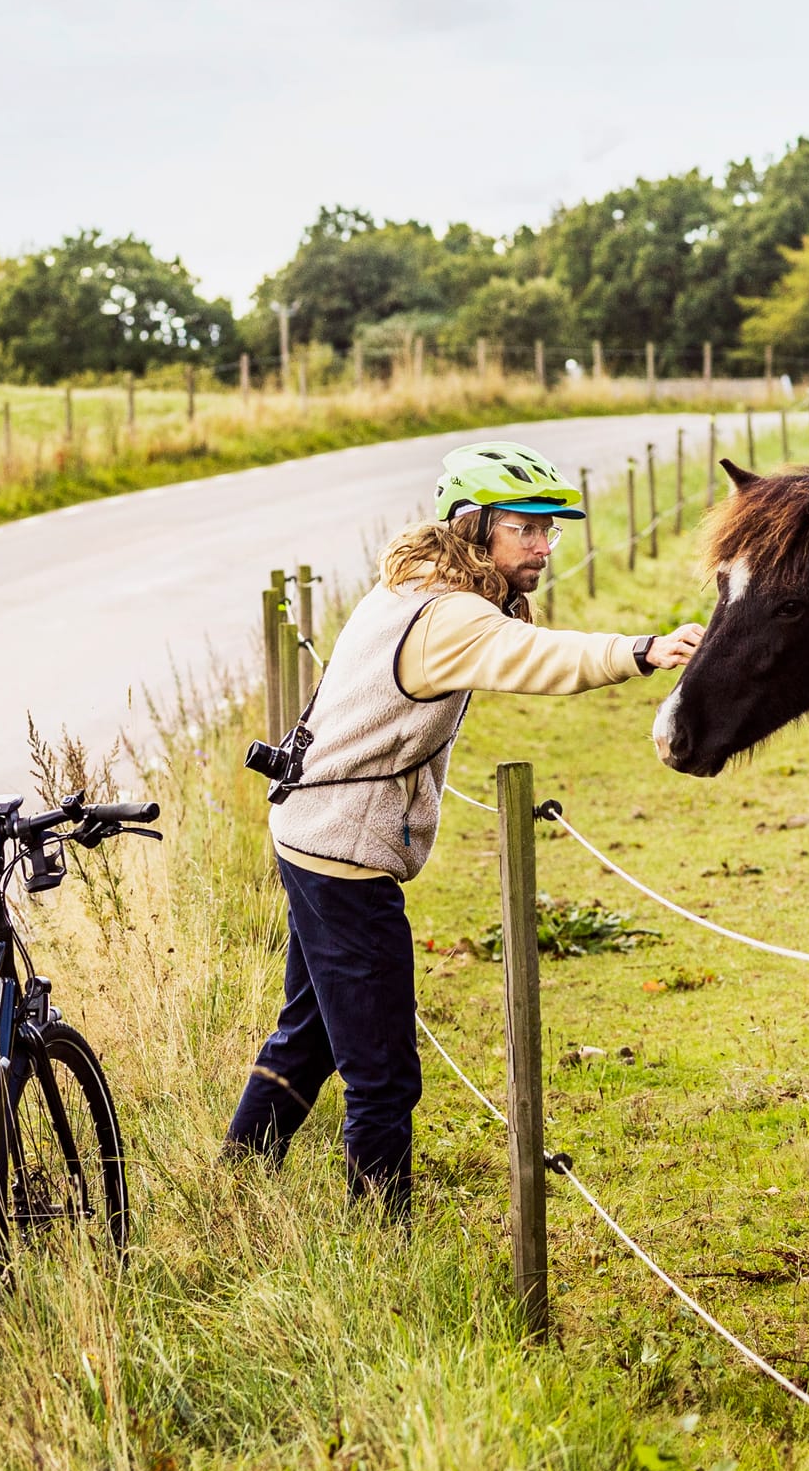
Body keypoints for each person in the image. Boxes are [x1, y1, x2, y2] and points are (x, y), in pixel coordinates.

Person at [229, 441, 703, 1213]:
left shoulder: (416, 583)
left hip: (313, 831)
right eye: (527, 529)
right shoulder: (447, 614)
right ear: (474, 526)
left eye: (554, 531)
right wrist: (643, 651)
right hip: (343, 857)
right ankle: (381, 1244)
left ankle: (235, 1184)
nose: (545, 547)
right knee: (384, 1075)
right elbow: (532, 656)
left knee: (308, 1038)